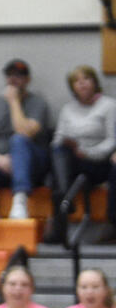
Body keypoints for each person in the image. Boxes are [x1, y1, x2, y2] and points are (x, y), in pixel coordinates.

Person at [0, 59, 51, 220]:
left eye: (19, 76)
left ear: (27, 80)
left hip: (32, 165)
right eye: (10, 76)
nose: (13, 80)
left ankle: (20, 200)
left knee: (18, 140)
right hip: (2, 163)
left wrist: (14, 101)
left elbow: (24, 131)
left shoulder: (38, 103)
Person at [48, 65, 116, 245]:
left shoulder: (109, 106)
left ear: (94, 82)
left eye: (86, 79)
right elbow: (58, 139)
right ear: (73, 87)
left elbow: (112, 141)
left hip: (100, 161)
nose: (82, 84)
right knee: (57, 151)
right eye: (77, 81)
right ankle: (64, 196)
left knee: (59, 168)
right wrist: (69, 145)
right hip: (72, 160)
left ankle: (61, 213)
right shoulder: (67, 109)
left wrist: (86, 152)